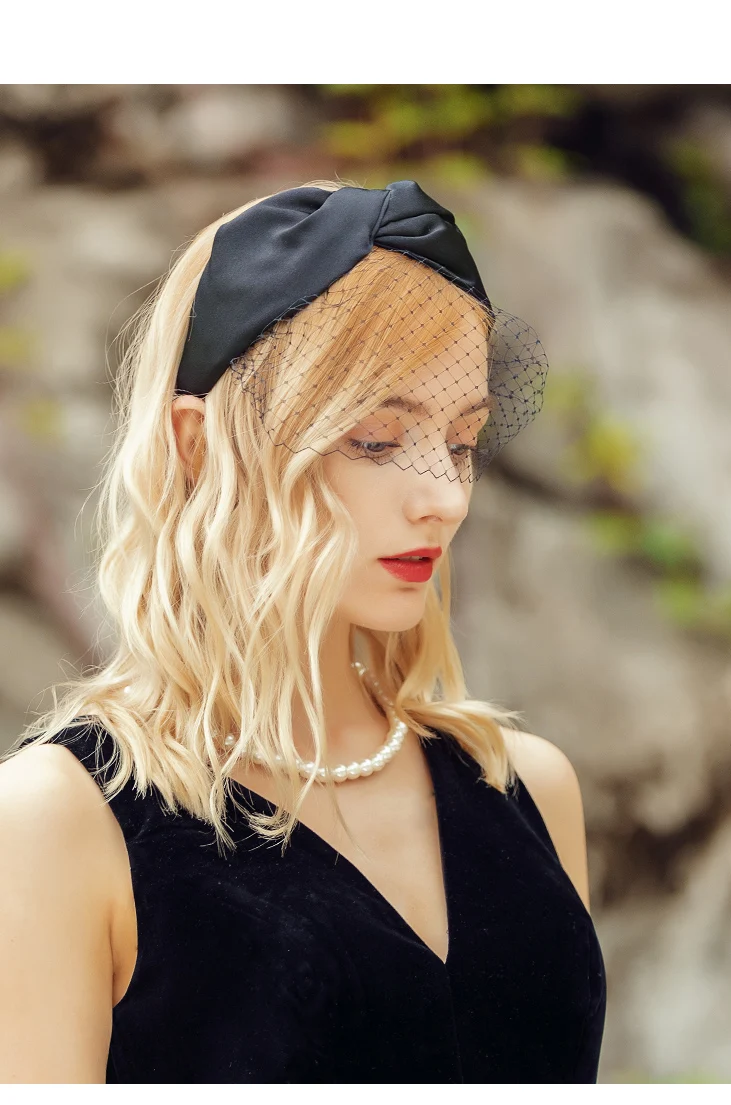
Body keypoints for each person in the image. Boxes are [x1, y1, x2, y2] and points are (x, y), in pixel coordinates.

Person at [0, 178, 606, 1083]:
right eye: (376, 438)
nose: (445, 496)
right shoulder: (57, 823)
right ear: (199, 444)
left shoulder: (529, 790)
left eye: (461, 442)